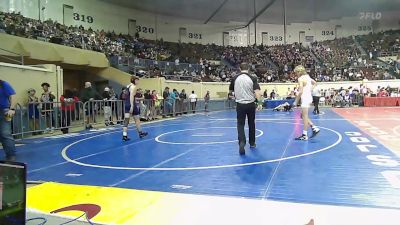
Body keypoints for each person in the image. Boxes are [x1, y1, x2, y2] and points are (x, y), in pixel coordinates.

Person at [229, 63, 262, 155]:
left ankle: (242, 142)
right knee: (251, 123)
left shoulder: (235, 78)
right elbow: (257, 92)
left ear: (240, 68)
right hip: (251, 104)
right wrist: (260, 103)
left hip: (240, 104)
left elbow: (230, 92)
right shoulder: (253, 78)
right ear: (248, 68)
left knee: (240, 124)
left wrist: (236, 95)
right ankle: (252, 143)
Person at [293, 65, 320, 141]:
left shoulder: (300, 79)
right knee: (302, 115)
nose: (296, 74)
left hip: (305, 98)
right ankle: (314, 128)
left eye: (296, 73)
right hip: (309, 97)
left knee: (304, 116)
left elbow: (301, 91)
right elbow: (315, 83)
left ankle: (304, 135)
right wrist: (310, 89)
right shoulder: (307, 77)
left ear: (299, 72)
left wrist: (296, 101)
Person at [122, 76, 148, 141]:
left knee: (126, 121)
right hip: (131, 104)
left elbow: (126, 93)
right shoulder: (134, 87)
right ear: (135, 80)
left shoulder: (129, 86)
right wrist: (132, 105)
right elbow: (131, 96)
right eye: (137, 80)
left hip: (126, 104)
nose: (138, 82)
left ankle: (124, 136)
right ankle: (140, 133)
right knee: (137, 119)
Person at [0, 80, 16, 161]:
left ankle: (11, 156)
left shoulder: (3, 84)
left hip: (4, 111)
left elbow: (12, 95)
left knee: (5, 134)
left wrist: (12, 108)